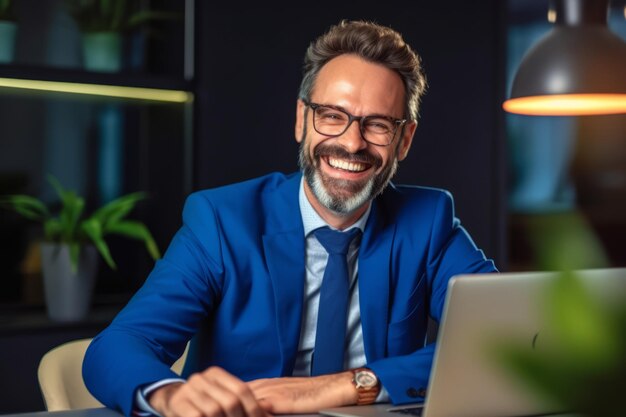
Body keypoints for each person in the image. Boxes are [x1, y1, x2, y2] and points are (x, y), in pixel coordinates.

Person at [83, 19, 497, 417]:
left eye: (378, 125)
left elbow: (508, 334)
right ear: (302, 120)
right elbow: (119, 345)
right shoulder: (222, 221)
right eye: (332, 116)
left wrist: (348, 385)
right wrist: (170, 397)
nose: (352, 143)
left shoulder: (427, 221)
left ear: (404, 140)